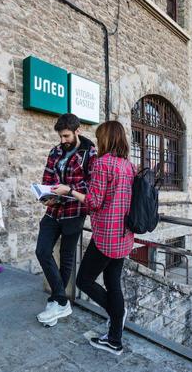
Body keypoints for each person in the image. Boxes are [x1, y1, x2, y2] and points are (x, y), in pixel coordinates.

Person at [53, 120, 135, 356]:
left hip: (106, 235)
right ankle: (115, 339)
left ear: (106, 139)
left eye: (99, 137)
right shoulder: (128, 166)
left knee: (84, 281)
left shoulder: (102, 164)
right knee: (112, 283)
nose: (97, 141)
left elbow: (94, 202)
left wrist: (68, 191)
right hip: (124, 235)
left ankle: (116, 318)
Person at [34, 113, 97, 325]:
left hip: (74, 213)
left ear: (77, 130)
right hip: (53, 212)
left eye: (66, 135)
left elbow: (92, 186)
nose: (63, 140)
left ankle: (57, 302)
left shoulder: (90, 152)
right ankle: (62, 301)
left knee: (66, 256)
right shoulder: (55, 151)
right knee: (42, 251)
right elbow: (48, 177)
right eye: (61, 136)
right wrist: (48, 196)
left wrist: (68, 190)